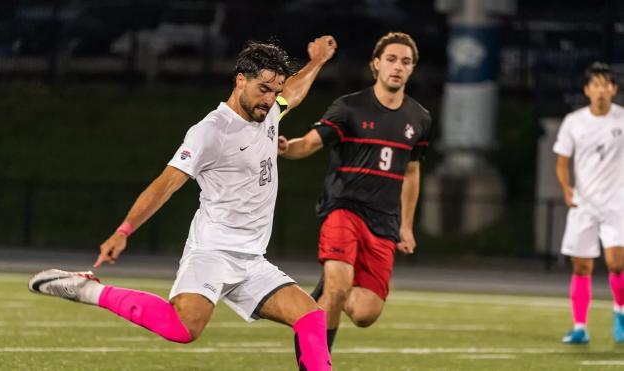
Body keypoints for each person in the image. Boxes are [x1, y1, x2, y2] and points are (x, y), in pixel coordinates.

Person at [28, 36, 337, 370]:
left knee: (310, 318)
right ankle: (88, 290)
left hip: (252, 260)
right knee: (183, 328)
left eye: (274, 90)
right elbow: (166, 183)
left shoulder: (268, 113)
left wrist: (317, 62)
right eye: (263, 88)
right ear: (240, 80)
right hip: (213, 251)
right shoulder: (211, 131)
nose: (270, 98)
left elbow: (292, 92)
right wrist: (124, 230)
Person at [278, 32, 431, 351]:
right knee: (340, 285)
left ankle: (325, 292)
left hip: (384, 221)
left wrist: (405, 225)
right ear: (376, 64)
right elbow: (309, 143)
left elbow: (412, 172)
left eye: (405, 62)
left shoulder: (419, 118)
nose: (397, 67)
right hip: (343, 209)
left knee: (365, 313)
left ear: (412, 69)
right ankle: (318, 360)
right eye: (391, 59)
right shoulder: (349, 107)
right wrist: (286, 148)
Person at [554, 62, 624, 344]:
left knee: (617, 263)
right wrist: (566, 189)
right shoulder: (574, 121)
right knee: (581, 266)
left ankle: (620, 312)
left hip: (617, 203)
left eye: (606, 85)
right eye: (595, 85)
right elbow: (561, 160)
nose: (601, 90)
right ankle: (580, 327)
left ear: (614, 90)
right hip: (584, 204)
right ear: (587, 90)